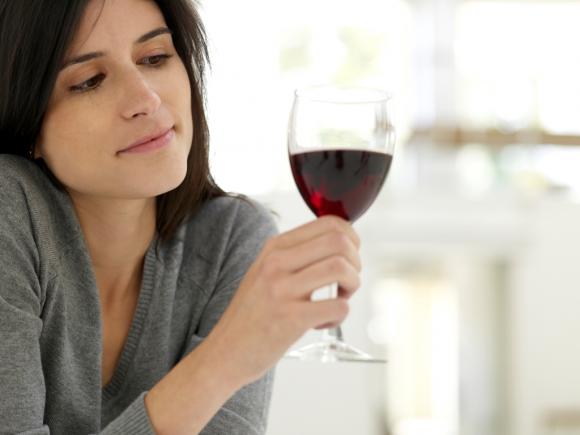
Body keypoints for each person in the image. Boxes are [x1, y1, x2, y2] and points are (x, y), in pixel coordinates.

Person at [0, 0, 362, 433]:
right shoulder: (9, 211)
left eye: (155, 58)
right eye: (89, 81)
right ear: (27, 119)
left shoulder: (232, 239)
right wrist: (225, 357)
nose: (146, 99)